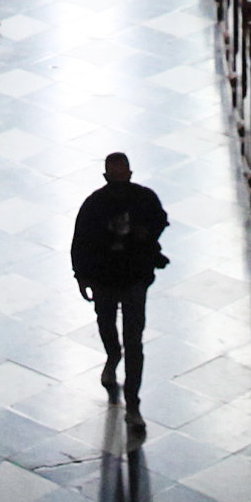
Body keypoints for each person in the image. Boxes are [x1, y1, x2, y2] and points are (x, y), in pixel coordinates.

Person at [70, 152, 171, 415]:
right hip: (104, 277)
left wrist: (145, 233)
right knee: (105, 323)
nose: (119, 181)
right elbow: (80, 241)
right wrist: (81, 275)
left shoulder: (144, 198)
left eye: (122, 175)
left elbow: (160, 220)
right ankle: (113, 354)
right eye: (113, 177)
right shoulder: (94, 205)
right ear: (106, 177)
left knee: (134, 338)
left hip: (134, 276)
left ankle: (133, 402)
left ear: (129, 174)